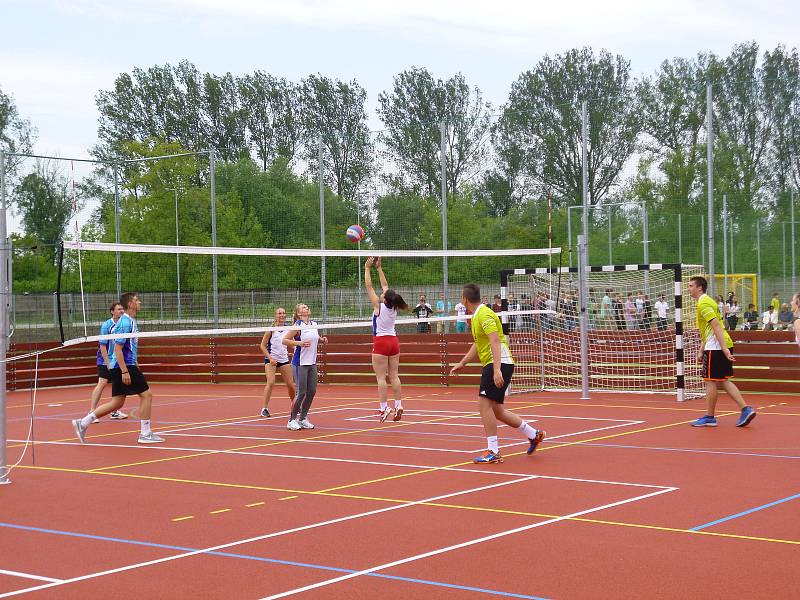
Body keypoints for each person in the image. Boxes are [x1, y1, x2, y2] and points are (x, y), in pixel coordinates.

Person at [449, 283, 545, 463]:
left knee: (483, 405)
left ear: (465, 300)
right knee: (497, 411)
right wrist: (462, 363)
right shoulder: (477, 315)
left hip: (497, 363)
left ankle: (493, 451)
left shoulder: (484, 314)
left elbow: (494, 340)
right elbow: (479, 344)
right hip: (497, 363)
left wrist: (496, 370)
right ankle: (534, 434)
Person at [72, 293, 164, 444]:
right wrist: (125, 370)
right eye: (136, 300)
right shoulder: (125, 322)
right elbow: (118, 349)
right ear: (130, 304)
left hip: (123, 364)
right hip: (124, 365)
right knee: (147, 395)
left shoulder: (129, 321)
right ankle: (145, 434)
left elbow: (128, 347)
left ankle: (82, 423)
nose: (139, 302)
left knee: (117, 403)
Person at [687, 276, 756, 427]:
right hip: (720, 343)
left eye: (691, 285)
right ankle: (746, 409)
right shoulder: (709, 301)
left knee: (710, 381)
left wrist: (723, 349)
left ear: (699, 288)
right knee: (723, 380)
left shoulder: (703, 303)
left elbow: (716, 325)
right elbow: (709, 329)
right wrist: (701, 349)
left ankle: (710, 417)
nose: (688, 288)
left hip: (717, 346)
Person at [365, 257, 409, 423]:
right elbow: (386, 287)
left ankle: (384, 408)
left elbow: (369, 286)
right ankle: (398, 404)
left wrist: (367, 268)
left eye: (383, 294)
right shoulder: (393, 306)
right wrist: (379, 268)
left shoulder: (378, 306)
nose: (382, 292)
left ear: (384, 298)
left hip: (381, 342)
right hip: (393, 341)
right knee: (394, 376)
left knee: (381, 378)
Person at [283, 304, 327, 430]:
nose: (306, 308)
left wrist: (322, 339)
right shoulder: (297, 326)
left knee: (312, 391)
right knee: (301, 392)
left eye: (306, 307)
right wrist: (299, 343)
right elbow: (285, 340)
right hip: (300, 363)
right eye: (303, 307)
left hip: (312, 362)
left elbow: (314, 337)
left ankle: (302, 418)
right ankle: (291, 420)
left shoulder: (314, 323)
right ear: (298, 313)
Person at [88, 302, 127, 421]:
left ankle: (114, 412)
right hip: (105, 359)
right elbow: (102, 346)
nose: (121, 311)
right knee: (102, 382)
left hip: (117, 359)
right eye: (119, 309)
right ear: (112, 311)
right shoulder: (106, 325)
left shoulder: (124, 324)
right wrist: (107, 362)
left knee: (118, 384)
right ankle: (92, 412)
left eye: (122, 309)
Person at [258, 307, 296, 418]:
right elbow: (262, 346)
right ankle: (264, 409)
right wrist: (270, 358)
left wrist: (298, 347)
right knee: (271, 382)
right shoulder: (271, 329)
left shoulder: (289, 329)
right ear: (275, 315)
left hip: (283, 359)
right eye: (279, 313)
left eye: (283, 313)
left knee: (291, 385)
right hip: (271, 359)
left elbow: (292, 343)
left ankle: (295, 406)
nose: (282, 315)